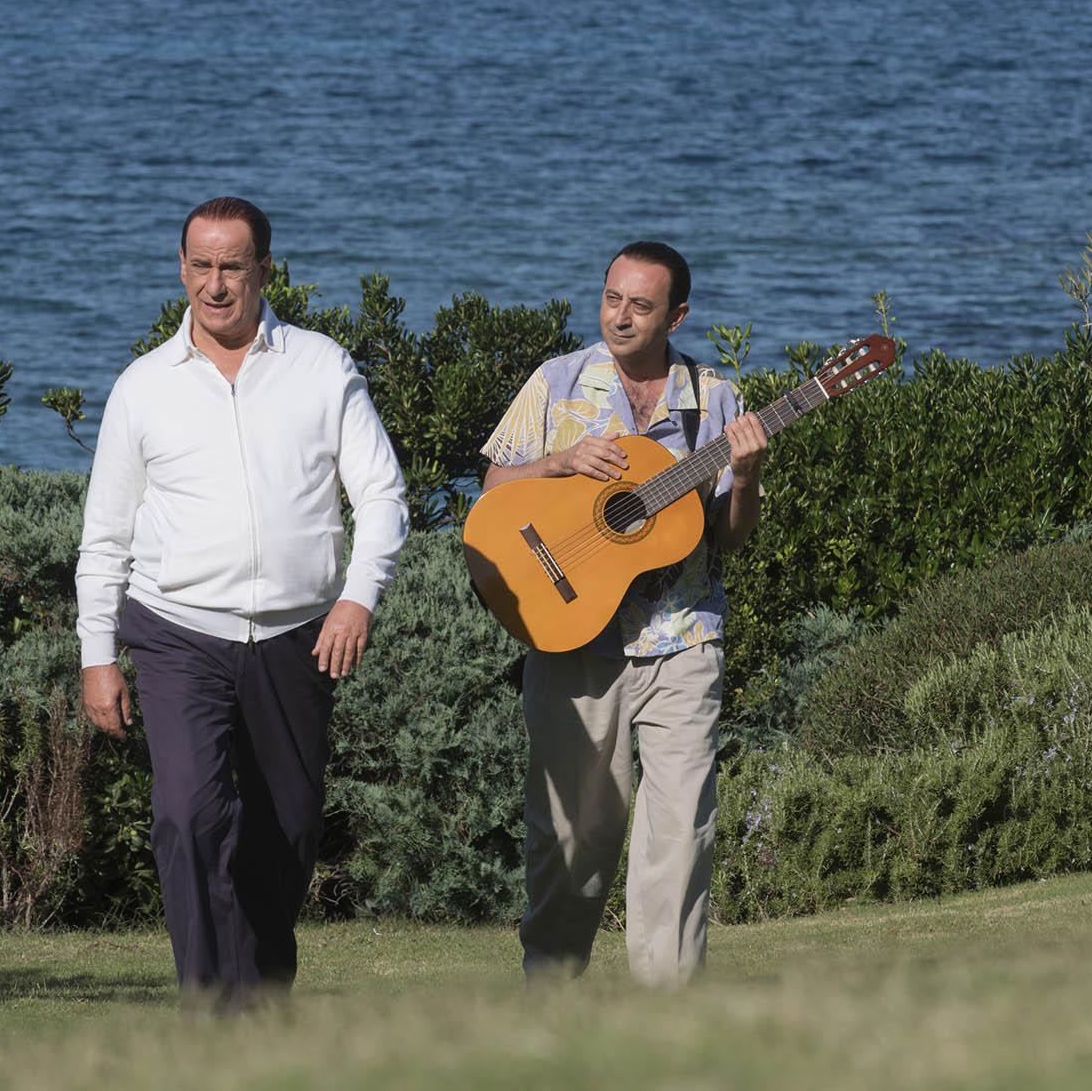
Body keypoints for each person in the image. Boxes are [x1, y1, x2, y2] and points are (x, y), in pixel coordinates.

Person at [74, 196, 409, 1008]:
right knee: (187, 814)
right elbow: (105, 537)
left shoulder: (321, 367)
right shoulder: (143, 387)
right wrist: (97, 656)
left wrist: (357, 599)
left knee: (286, 831)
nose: (215, 285)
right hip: (176, 634)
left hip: (299, 637)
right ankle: (211, 1011)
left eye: (232, 266)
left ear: (264, 269)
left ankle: (260, 1001)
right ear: (181, 268)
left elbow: (383, 495)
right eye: (200, 265)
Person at [477, 240, 768, 987]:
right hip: (572, 638)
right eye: (612, 299)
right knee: (571, 835)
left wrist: (745, 478)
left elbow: (731, 537)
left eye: (641, 305)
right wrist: (560, 463)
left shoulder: (717, 400)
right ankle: (550, 993)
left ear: (677, 316)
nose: (621, 317)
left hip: (684, 638)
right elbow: (494, 491)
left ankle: (666, 1012)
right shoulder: (558, 382)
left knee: (680, 832)